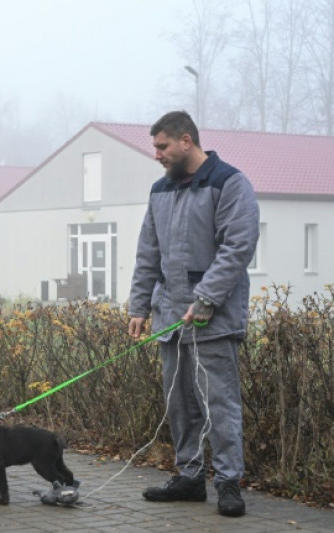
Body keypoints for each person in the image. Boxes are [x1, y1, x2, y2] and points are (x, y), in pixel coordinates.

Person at [127, 110, 259, 518]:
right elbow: (148, 252)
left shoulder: (229, 183)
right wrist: (139, 306)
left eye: (162, 146)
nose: (157, 154)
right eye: (155, 147)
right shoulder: (160, 191)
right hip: (170, 320)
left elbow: (238, 247)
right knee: (180, 405)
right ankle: (189, 476)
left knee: (220, 406)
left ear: (187, 141)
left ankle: (228, 482)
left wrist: (206, 299)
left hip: (214, 322)